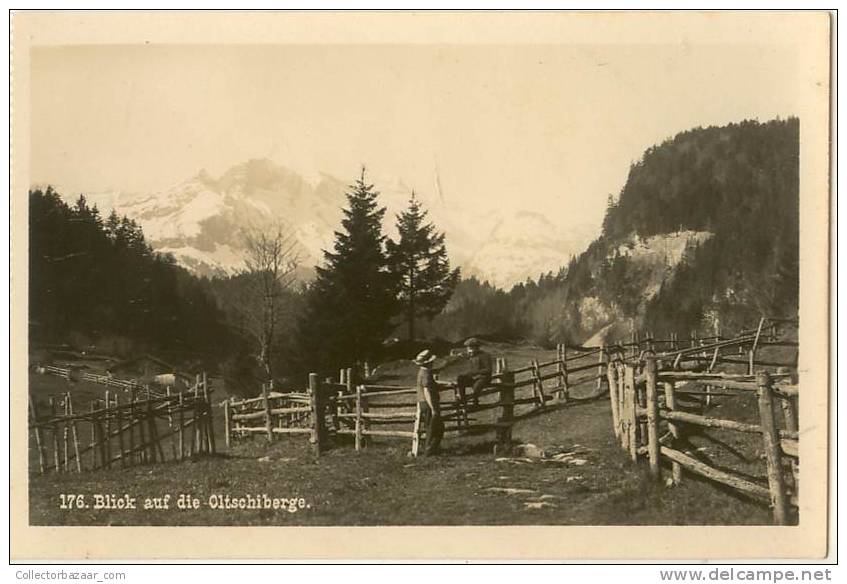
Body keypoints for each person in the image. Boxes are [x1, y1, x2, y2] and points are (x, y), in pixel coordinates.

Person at [414, 349, 444, 456]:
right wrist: (433, 408)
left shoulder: (424, 372)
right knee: (435, 428)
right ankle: (429, 450)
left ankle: (431, 449)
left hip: (424, 403)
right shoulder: (426, 373)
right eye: (431, 362)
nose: (432, 363)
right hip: (428, 403)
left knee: (433, 427)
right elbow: (427, 391)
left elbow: (431, 385)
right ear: (428, 363)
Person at [456, 338, 493, 408]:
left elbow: (488, 369)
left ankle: (475, 402)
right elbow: (464, 355)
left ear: (476, 347)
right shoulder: (471, 355)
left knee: (476, 387)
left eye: (471, 348)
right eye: (468, 348)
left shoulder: (485, 356)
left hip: (484, 377)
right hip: (474, 377)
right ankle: (462, 399)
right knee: (460, 378)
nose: (469, 350)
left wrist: (475, 373)